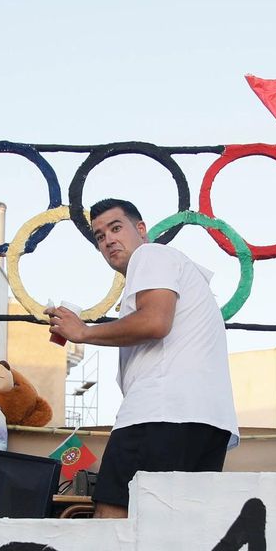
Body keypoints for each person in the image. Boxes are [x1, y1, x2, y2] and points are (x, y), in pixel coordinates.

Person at [46, 198, 237, 519]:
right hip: (209, 422)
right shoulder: (177, 271)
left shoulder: (151, 254)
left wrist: (84, 333)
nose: (108, 240)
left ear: (141, 229)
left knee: (112, 521)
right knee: (173, 535)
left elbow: (154, 322)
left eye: (116, 228)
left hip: (160, 413)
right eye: (99, 236)